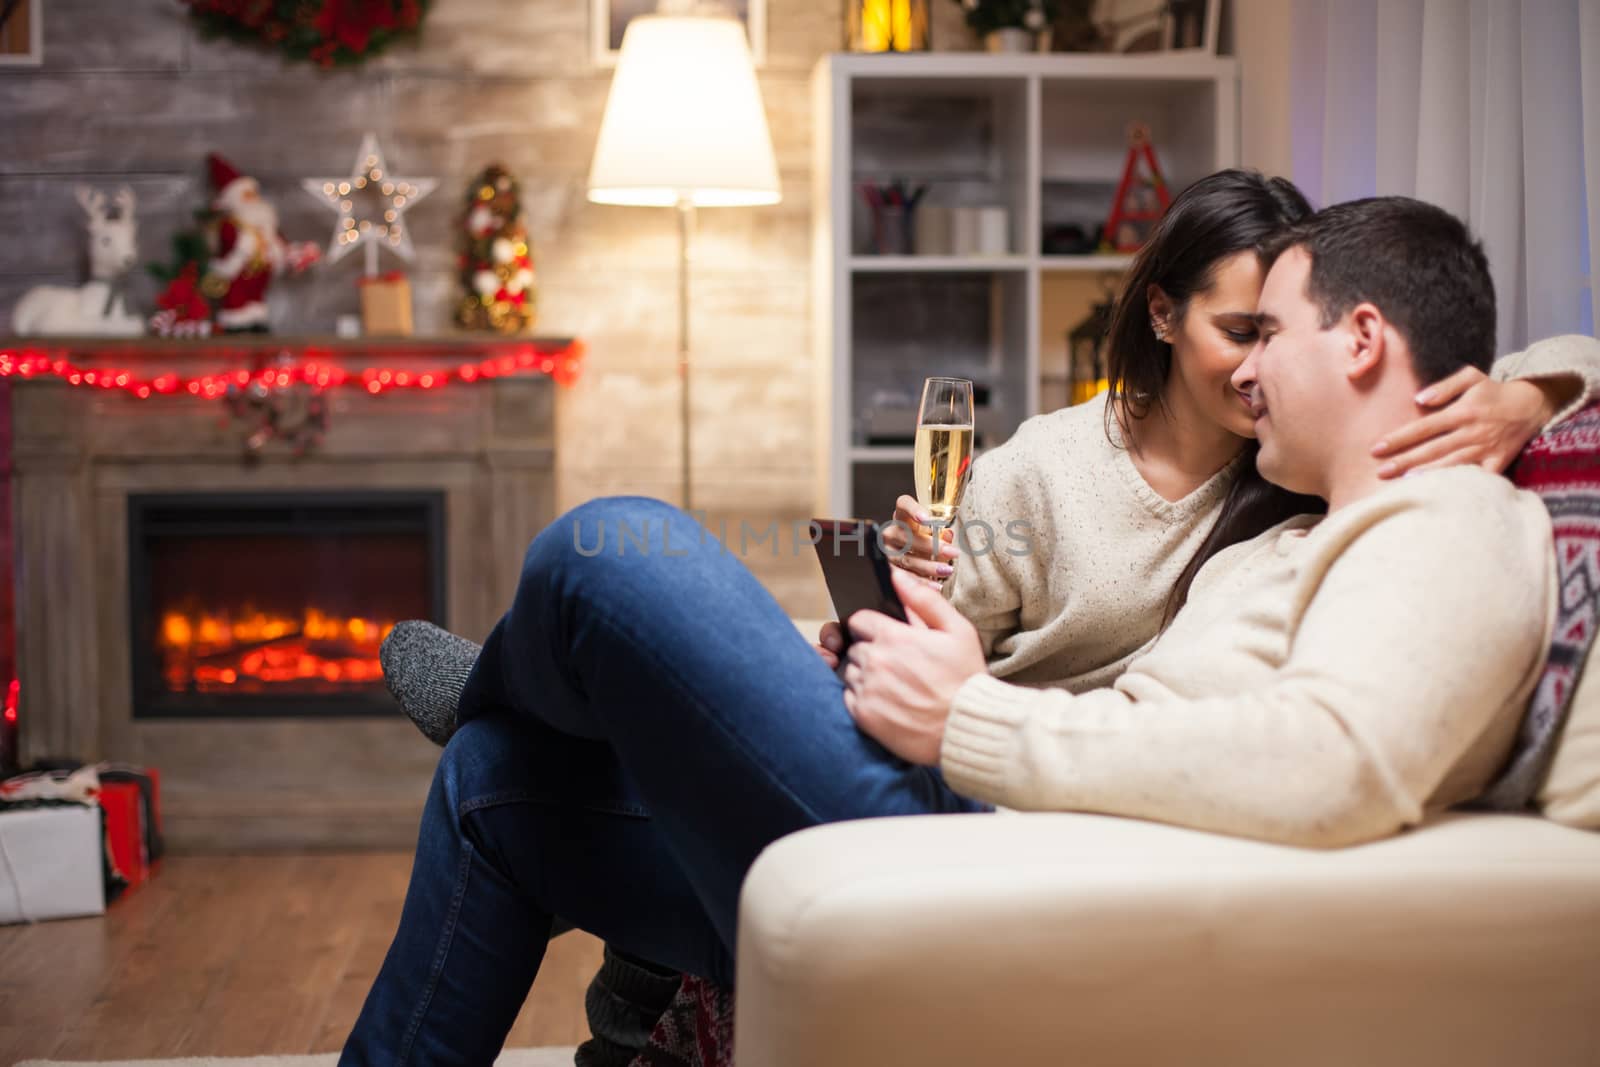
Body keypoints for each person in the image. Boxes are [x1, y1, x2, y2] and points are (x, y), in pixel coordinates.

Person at [379, 170, 1600, 1065]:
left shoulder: (1445, 519)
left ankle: (518, 677)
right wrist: (938, 660)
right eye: (1240, 331)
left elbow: (1335, 760)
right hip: (990, 807)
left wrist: (973, 713)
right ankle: (516, 705)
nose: (1248, 370)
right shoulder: (1287, 515)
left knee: (610, 549)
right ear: (1166, 316)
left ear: (1366, 340)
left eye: (1269, 333)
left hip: (995, 835)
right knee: (496, 787)